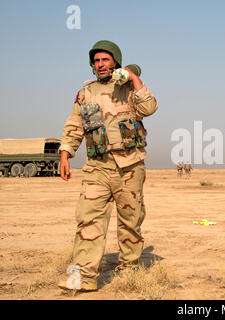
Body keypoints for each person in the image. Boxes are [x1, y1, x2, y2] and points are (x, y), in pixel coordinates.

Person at [57, 40, 158, 292]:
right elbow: (74, 126)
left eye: (105, 59)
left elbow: (150, 107)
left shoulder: (127, 88)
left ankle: (129, 269)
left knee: (130, 221)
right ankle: (83, 276)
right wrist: (65, 154)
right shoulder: (85, 93)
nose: (100, 64)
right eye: (97, 60)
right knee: (87, 219)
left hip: (130, 166)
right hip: (97, 167)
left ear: (115, 61)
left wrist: (134, 78)